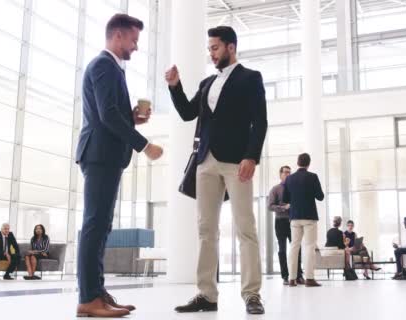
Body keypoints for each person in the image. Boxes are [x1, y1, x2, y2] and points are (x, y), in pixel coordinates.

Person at [166, 26, 267, 315]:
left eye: (215, 48)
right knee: (205, 229)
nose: (211, 53)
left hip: (238, 162)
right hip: (205, 161)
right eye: (209, 48)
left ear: (230, 47)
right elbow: (187, 112)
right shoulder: (207, 82)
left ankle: (251, 294)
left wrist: (252, 156)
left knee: (245, 228)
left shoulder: (250, 78)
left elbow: (260, 120)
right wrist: (175, 86)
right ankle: (206, 294)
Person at [75, 13, 163, 318]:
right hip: (99, 155)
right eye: (134, 40)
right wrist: (144, 144)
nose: (136, 47)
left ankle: (97, 293)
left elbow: (112, 112)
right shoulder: (103, 65)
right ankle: (88, 297)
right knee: (94, 225)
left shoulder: (112, 68)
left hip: (106, 156)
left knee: (101, 226)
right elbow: (106, 116)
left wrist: (132, 117)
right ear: (118, 37)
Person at [283, 153, 325, 287]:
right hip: (309, 217)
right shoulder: (313, 177)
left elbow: (285, 199)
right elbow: (320, 196)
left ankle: (291, 279)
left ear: (297, 162)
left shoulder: (289, 179)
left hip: (294, 217)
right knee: (309, 247)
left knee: (294, 247)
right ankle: (309, 279)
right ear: (308, 163)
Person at [268, 165, 304, 285]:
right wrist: (284, 208)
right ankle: (285, 276)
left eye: (289, 172)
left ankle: (298, 275)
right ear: (280, 174)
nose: (288, 174)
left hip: (293, 222)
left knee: (296, 249)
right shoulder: (275, 189)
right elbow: (270, 206)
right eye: (285, 172)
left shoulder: (294, 188)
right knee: (282, 249)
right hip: (280, 222)